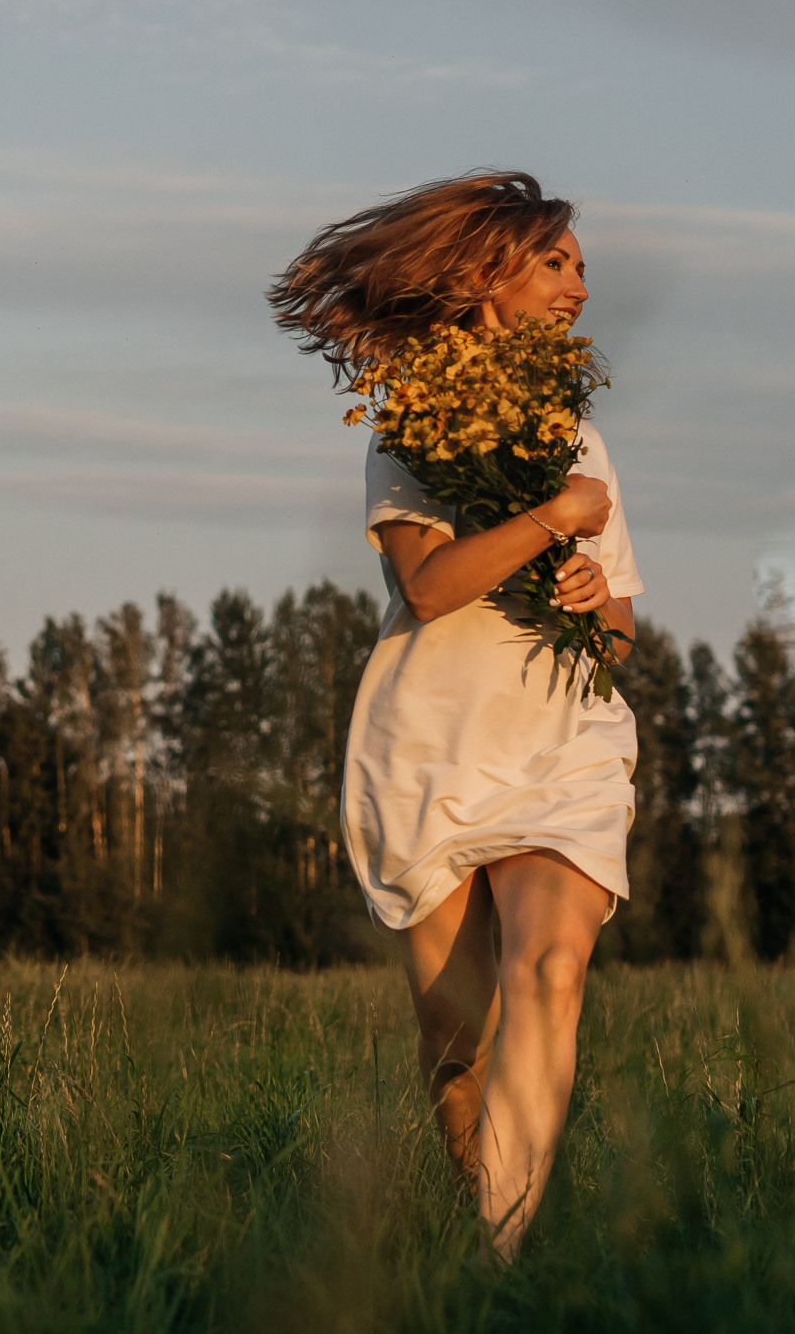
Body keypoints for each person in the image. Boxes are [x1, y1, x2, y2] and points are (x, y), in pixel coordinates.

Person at [268, 170, 642, 1258]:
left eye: (580, 264)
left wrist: (589, 596)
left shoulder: (580, 436)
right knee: (456, 1042)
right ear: (485, 277)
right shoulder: (410, 427)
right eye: (555, 261)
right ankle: (482, 1197)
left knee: (553, 970)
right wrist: (549, 522)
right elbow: (430, 587)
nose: (580, 283)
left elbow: (618, 625)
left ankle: (503, 1262)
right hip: (433, 748)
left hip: (563, 741)